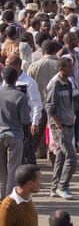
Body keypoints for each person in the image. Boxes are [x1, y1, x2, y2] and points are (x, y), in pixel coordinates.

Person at [45, 57, 77, 200]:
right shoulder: (55, 85)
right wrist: (57, 126)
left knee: (61, 156)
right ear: (61, 68)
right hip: (60, 126)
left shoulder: (68, 83)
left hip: (69, 123)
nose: (72, 69)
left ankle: (55, 187)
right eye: (69, 67)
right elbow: (50, 108)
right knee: (71, 156)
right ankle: (63, 186)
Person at [0, 66, 30, 199]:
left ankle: (1, 197)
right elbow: (25, 120)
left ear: (3, 78)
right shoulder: (20, 95)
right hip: (15, 135)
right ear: (17, 78)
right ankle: (9, 199)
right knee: (13, 169)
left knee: (2, 172)